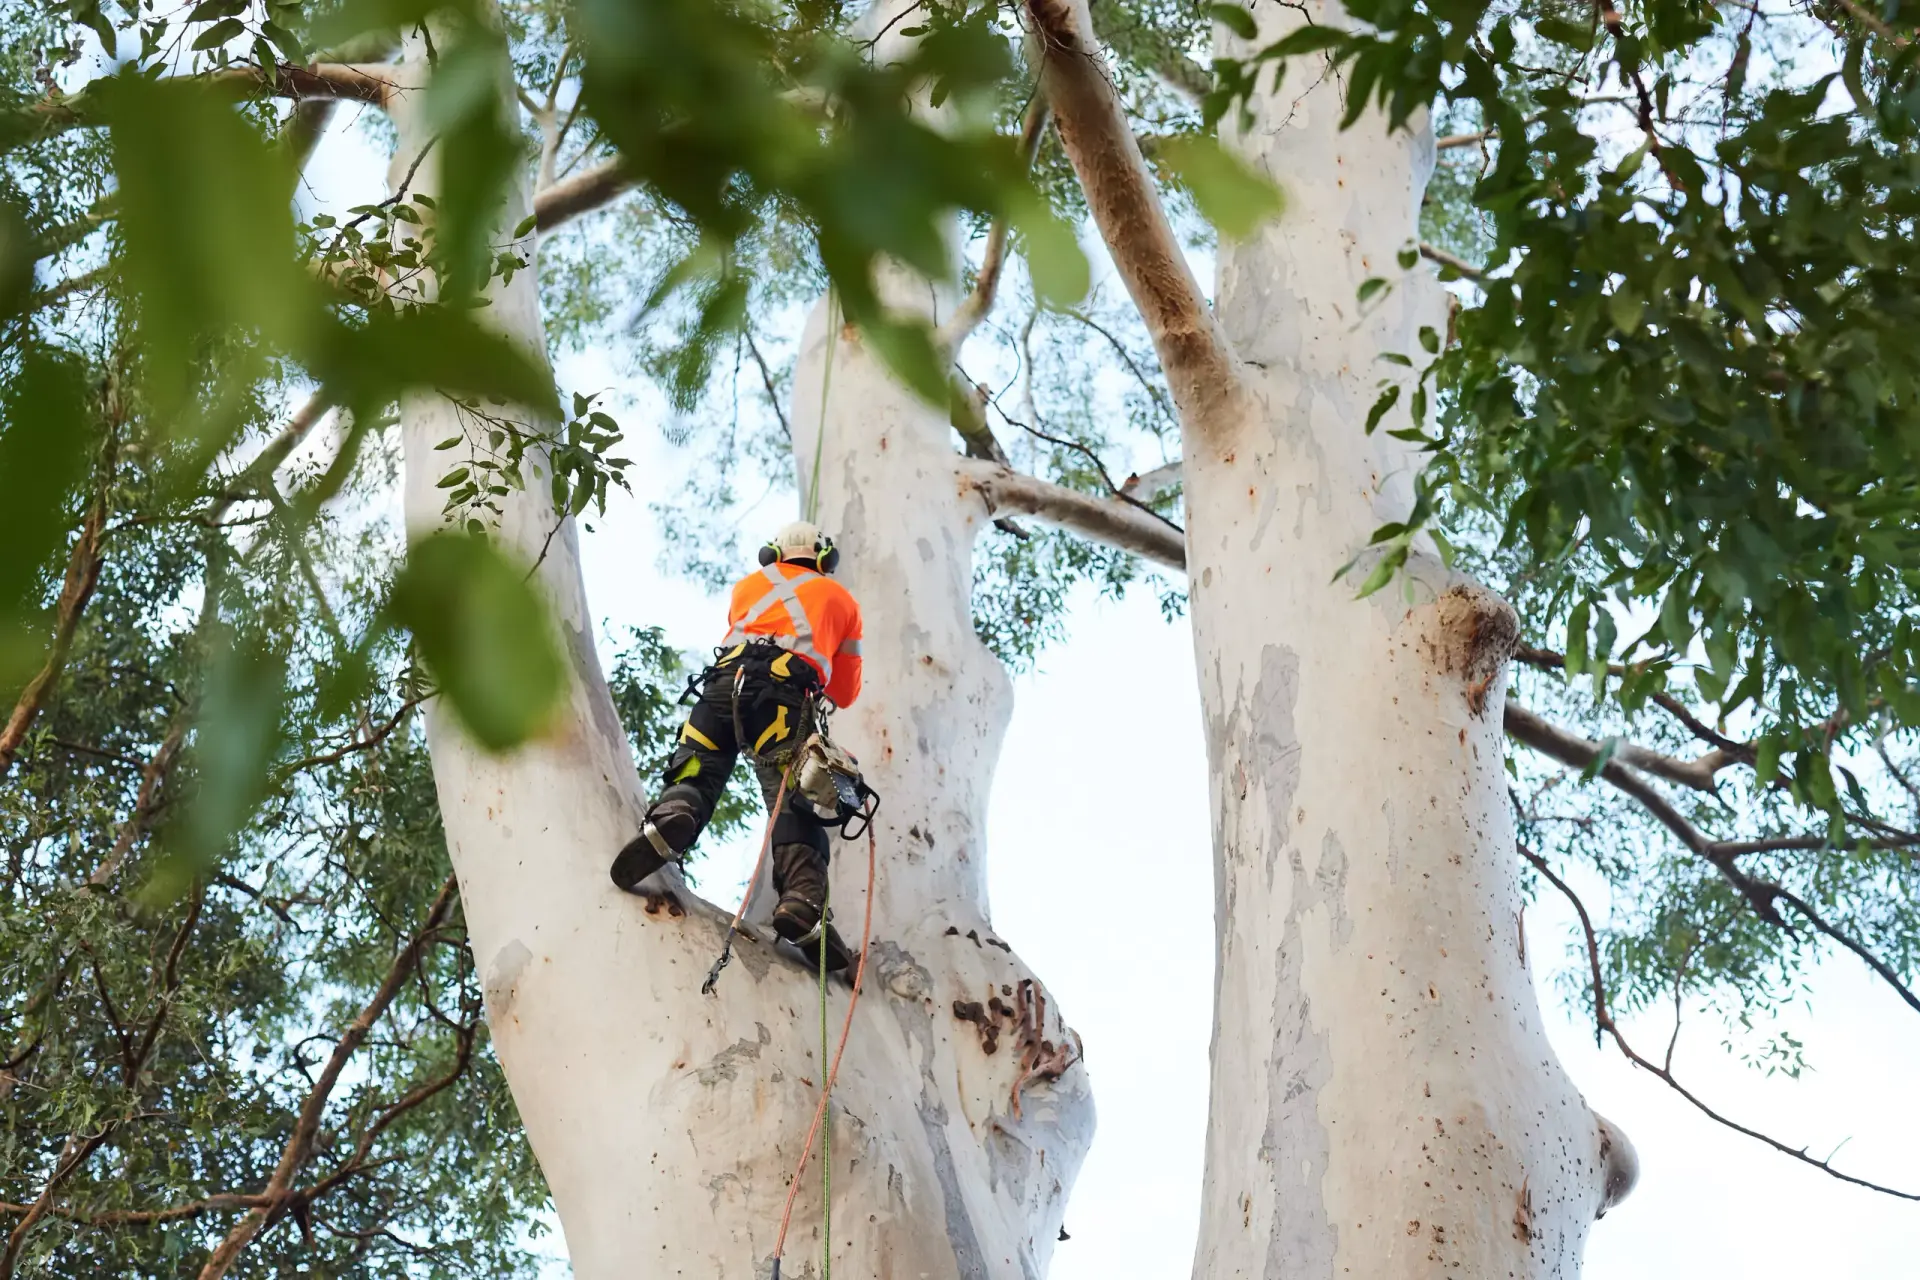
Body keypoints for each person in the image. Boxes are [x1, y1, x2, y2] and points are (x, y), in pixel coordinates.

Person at [611, 520, 865, 969]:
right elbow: (845, 693)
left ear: (774, 553)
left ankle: (674, 814)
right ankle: (802, 900)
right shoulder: (842, 600)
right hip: (784, 700)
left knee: (697, 762)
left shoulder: (748, 587)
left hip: (722, 687)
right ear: (824, 559)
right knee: (794, 800)